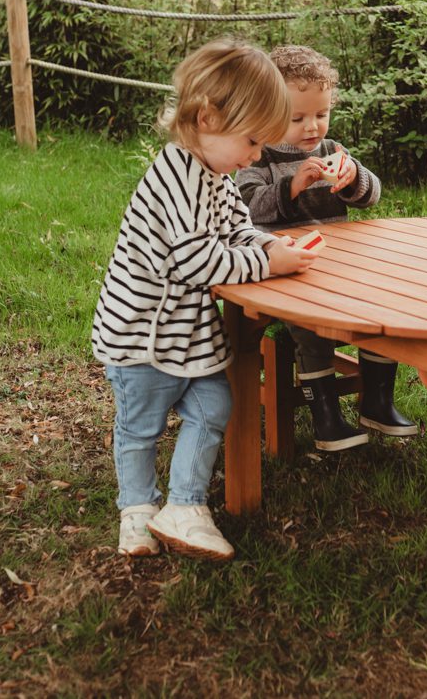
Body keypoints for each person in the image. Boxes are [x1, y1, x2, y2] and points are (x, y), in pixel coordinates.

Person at [92, 38, 318, 560]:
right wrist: (267, 264)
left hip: (187, 331)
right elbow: (193, 262)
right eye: (253, 142)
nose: (258, 156)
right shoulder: (175, 178)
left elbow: (239, 227)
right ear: (210, 119)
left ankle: (185, 505)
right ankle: (137, 512)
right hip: (141, 336)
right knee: (140, 426)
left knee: (214, 403)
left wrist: (271, 245)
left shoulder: (215, 173)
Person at [237, 45, 418, 451]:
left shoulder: (331, 150)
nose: (312, 127)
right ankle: (326, 416)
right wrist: (292, 186)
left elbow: (371, 196)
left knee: (379, 306)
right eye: (297, 117)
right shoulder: (256, 157)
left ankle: (377, 401)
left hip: (334, 268)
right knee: (310, 324)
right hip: (281, 274)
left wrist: (353, 178)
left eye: (321, 114)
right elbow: (247, 205)